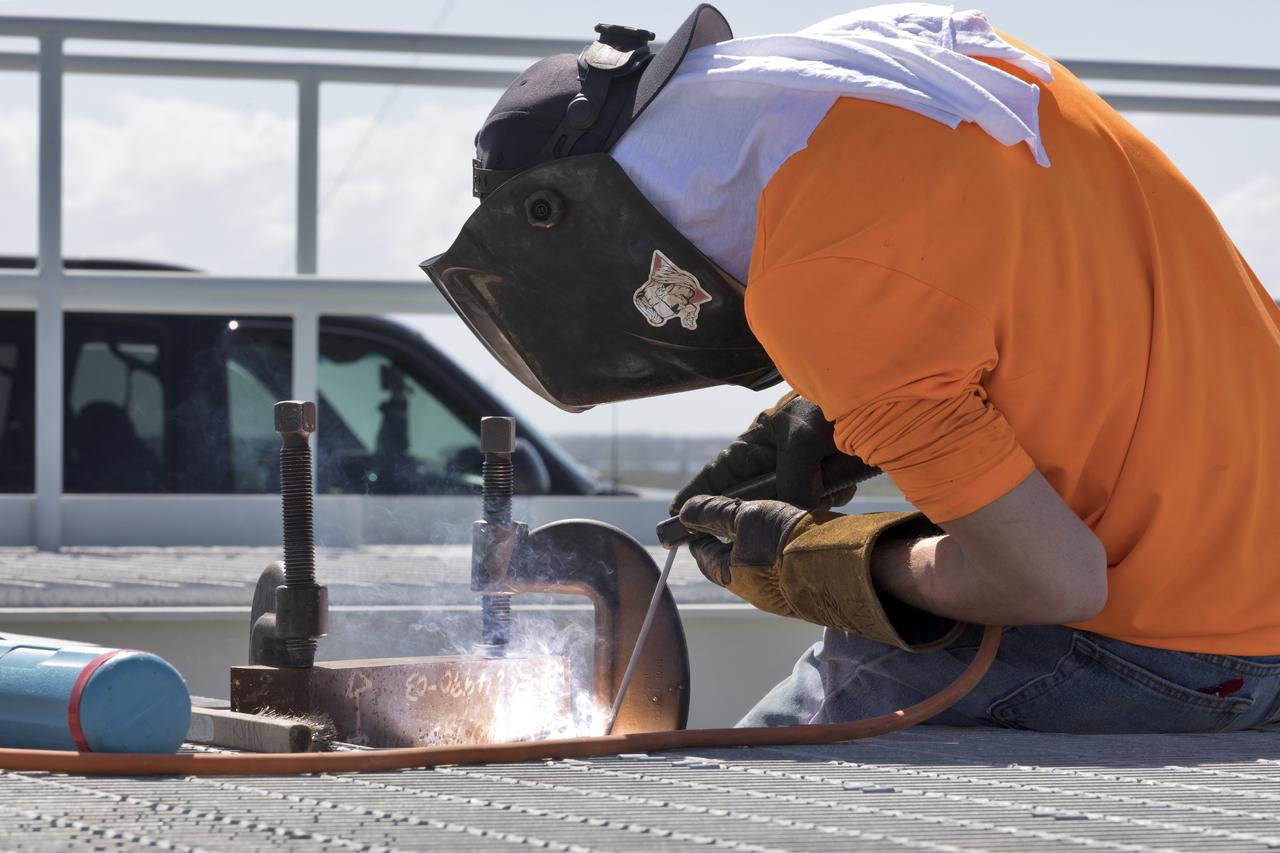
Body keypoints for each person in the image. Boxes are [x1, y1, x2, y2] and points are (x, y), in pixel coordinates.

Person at [422, 4, 1280, 733]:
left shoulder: (817, 286)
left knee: (739, 791)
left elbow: (1053, 578)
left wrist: (823, 563)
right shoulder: (916, 61)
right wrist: (834, 406)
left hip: (1158, 652)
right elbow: (1006, 298)